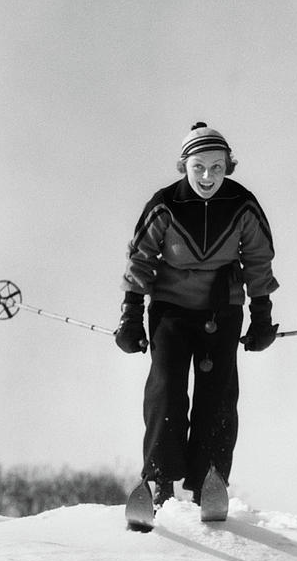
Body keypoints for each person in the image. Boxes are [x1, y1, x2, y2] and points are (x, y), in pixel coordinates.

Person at [115, 122, 279, 507]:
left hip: (222, 310)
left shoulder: (242, 205)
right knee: (166, 388)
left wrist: (261, 316)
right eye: (199, 167)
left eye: (218, 167)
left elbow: (257, 259)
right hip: (172, 311)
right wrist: (131, 317)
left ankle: (209, 481)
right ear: (184, 166)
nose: (208, 177)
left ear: (229, 166)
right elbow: (140, 258)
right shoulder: (165, 205)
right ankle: (160, 481)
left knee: (218, 395)